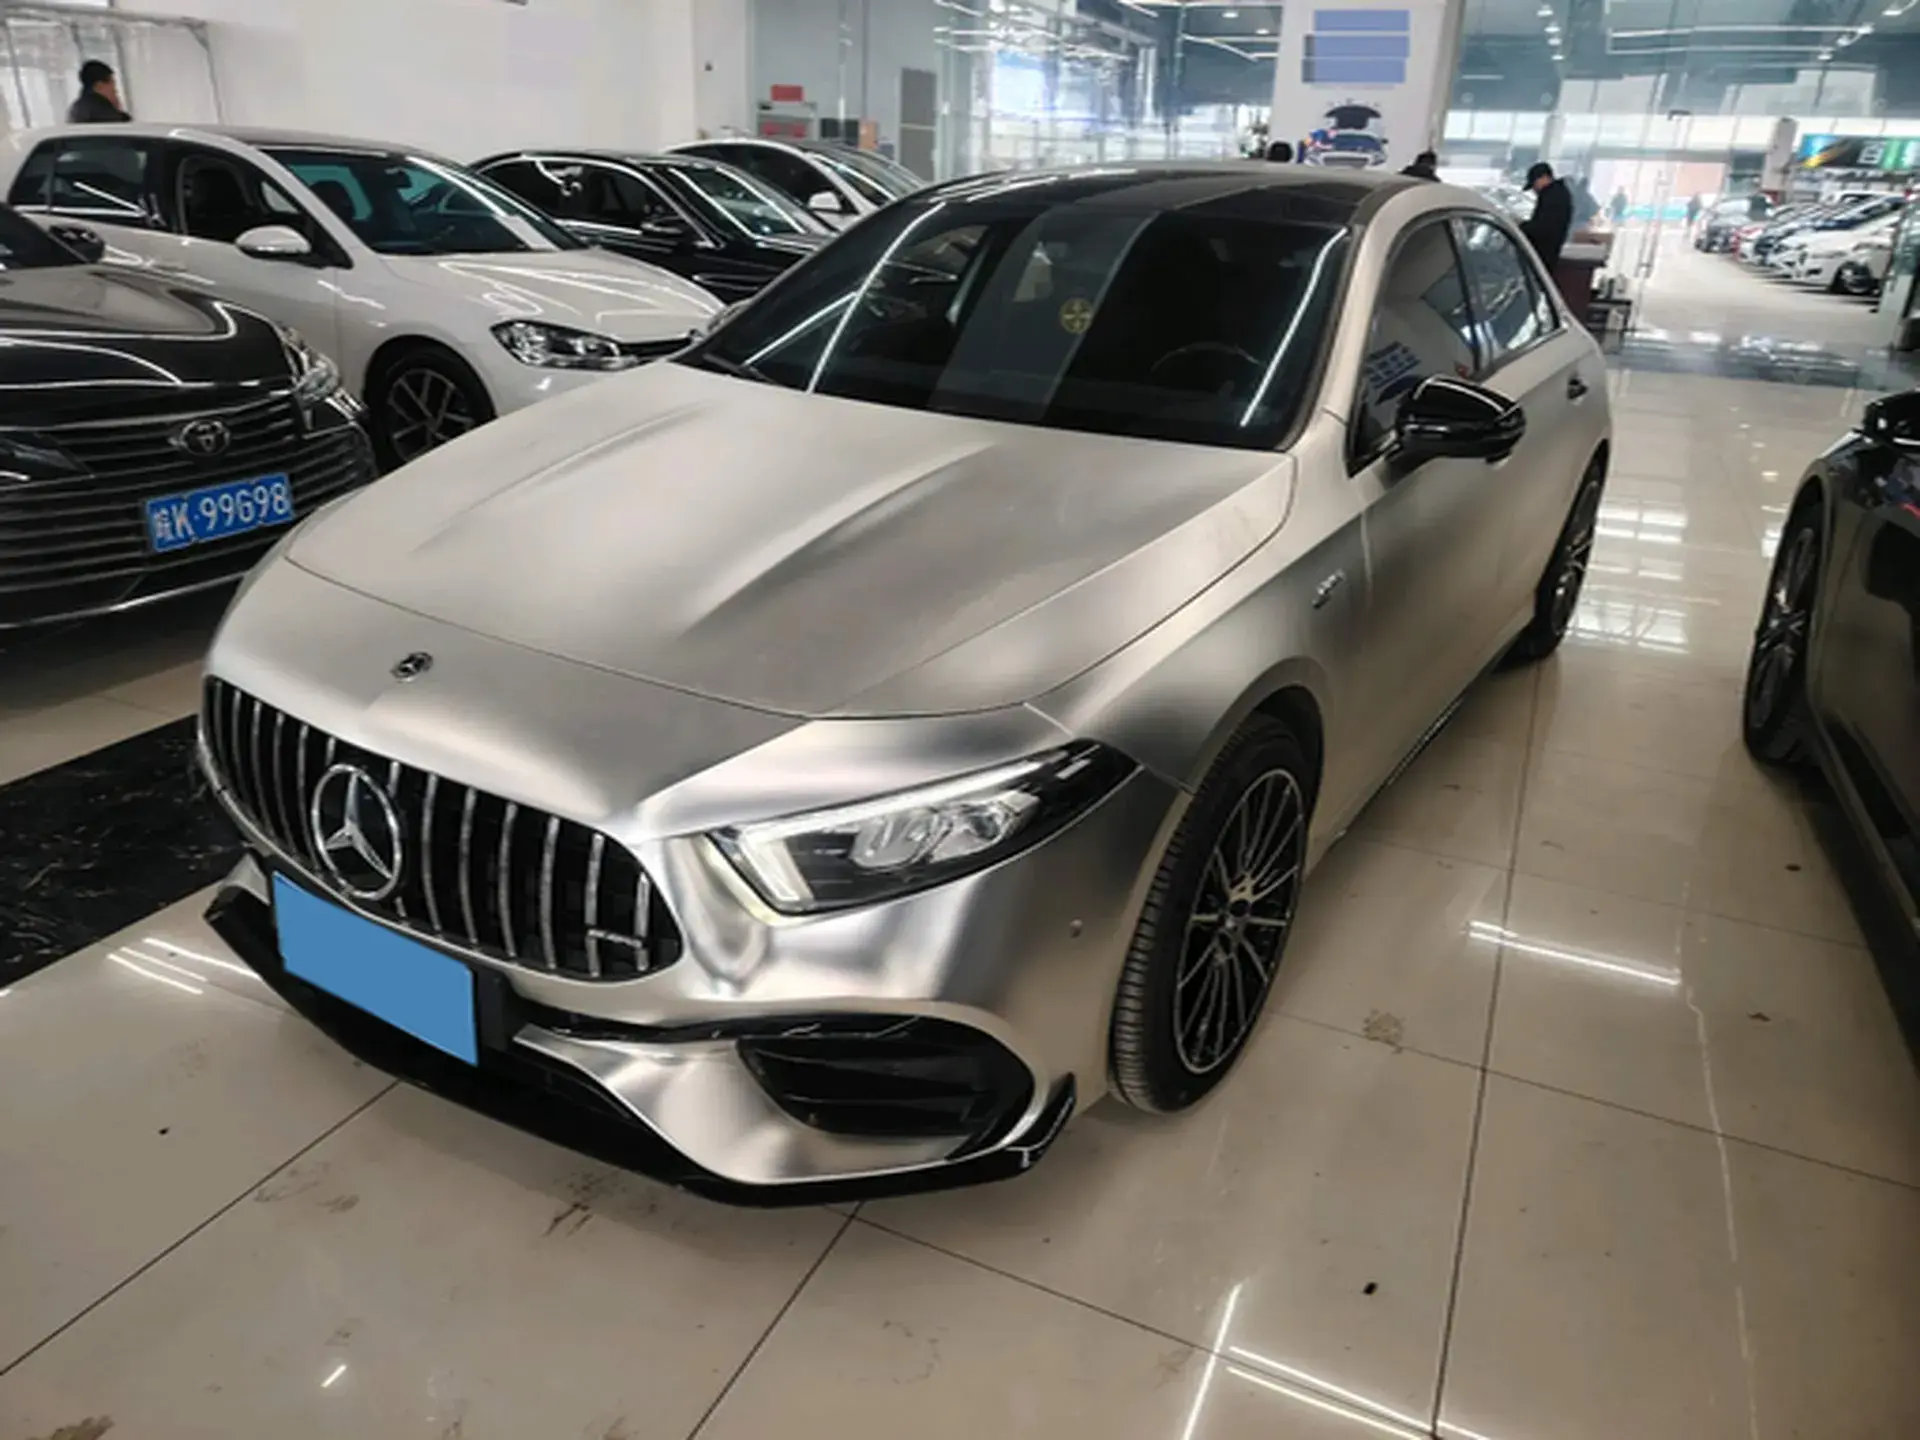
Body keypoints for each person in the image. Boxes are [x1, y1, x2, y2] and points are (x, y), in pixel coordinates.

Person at [1519, 162, 1573, 270]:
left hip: (1544, 253)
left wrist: (1522, 227)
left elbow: (1543, 227)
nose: (1534, 189)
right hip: (1549, 252)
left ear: (1544, 177)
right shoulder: (1557, 193)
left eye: (1534, 184)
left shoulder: (1553, 197)